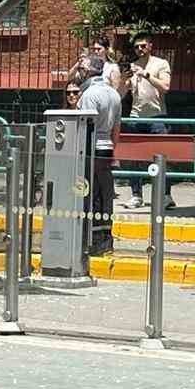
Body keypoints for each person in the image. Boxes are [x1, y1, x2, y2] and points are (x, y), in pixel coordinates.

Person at [77, 57, 122, 256]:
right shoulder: (113, 93)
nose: (79, 72)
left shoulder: (90, 94)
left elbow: (84, 125)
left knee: (91, 193)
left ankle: (94, 240)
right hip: (107, 146)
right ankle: (105, 238)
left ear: (88, 72)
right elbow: (117, 128)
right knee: (105, 194)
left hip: (92, 147)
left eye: (82, 68)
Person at [126, 34, 172, 208]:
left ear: (150, 46)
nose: (140, 49)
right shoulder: (133, 66)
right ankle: (136, 195)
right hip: (136, 116)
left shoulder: (161, 64)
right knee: (134, 157)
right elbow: (125, 93)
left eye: (143, 46)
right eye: (137, 47)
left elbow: (166, 87)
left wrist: (146, 75)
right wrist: (127, 82)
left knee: (160, 156)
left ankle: (165, 195)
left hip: (157, 116)